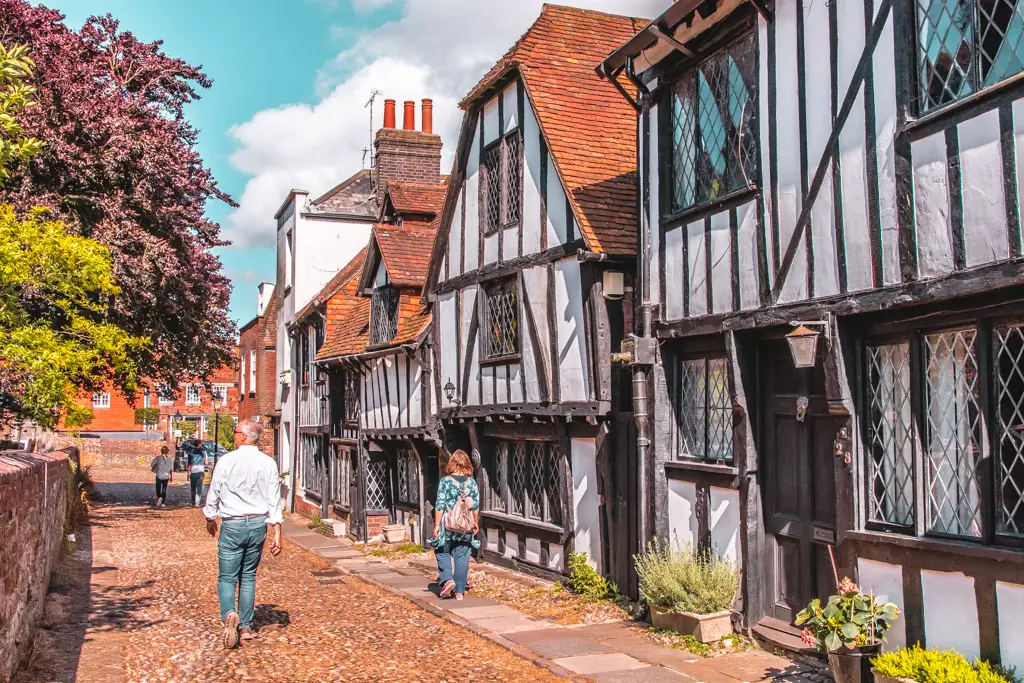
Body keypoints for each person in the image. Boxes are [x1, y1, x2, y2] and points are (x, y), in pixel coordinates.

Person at [202, 420, 283, 649]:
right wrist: (277, 531)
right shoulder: (268, 463)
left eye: (236, 432)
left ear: (245, 437)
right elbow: (273, 499)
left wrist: (210, 518)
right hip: (257, 524)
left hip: (232, 524)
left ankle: (229, 613)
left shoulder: (227, 461)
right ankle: (246, 626)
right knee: (248, 575)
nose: (234, 435)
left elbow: (215, 490)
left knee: (227, 576)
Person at [431, 450, 480, 601]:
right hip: (465, 525)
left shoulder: (445, 482)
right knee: (463, 555)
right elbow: (475, 505)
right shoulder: (471, 482)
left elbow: (439, 504)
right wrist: (475, 522)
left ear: (451, 464)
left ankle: (447, 579)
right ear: (467, 464)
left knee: (441, 550)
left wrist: (437, 525)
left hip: (448, 525)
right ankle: (459, 592)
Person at [186, 439, 206, 507]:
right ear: (199, 444)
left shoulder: (191, 452)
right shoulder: (203, 452)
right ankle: (197, 503)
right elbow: (206, 462)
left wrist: (188, 473)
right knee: (199, 488)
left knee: (193, 488)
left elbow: (189, 464)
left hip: (193, 471)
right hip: (201, 470)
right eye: (201, 443)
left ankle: (193, 502)